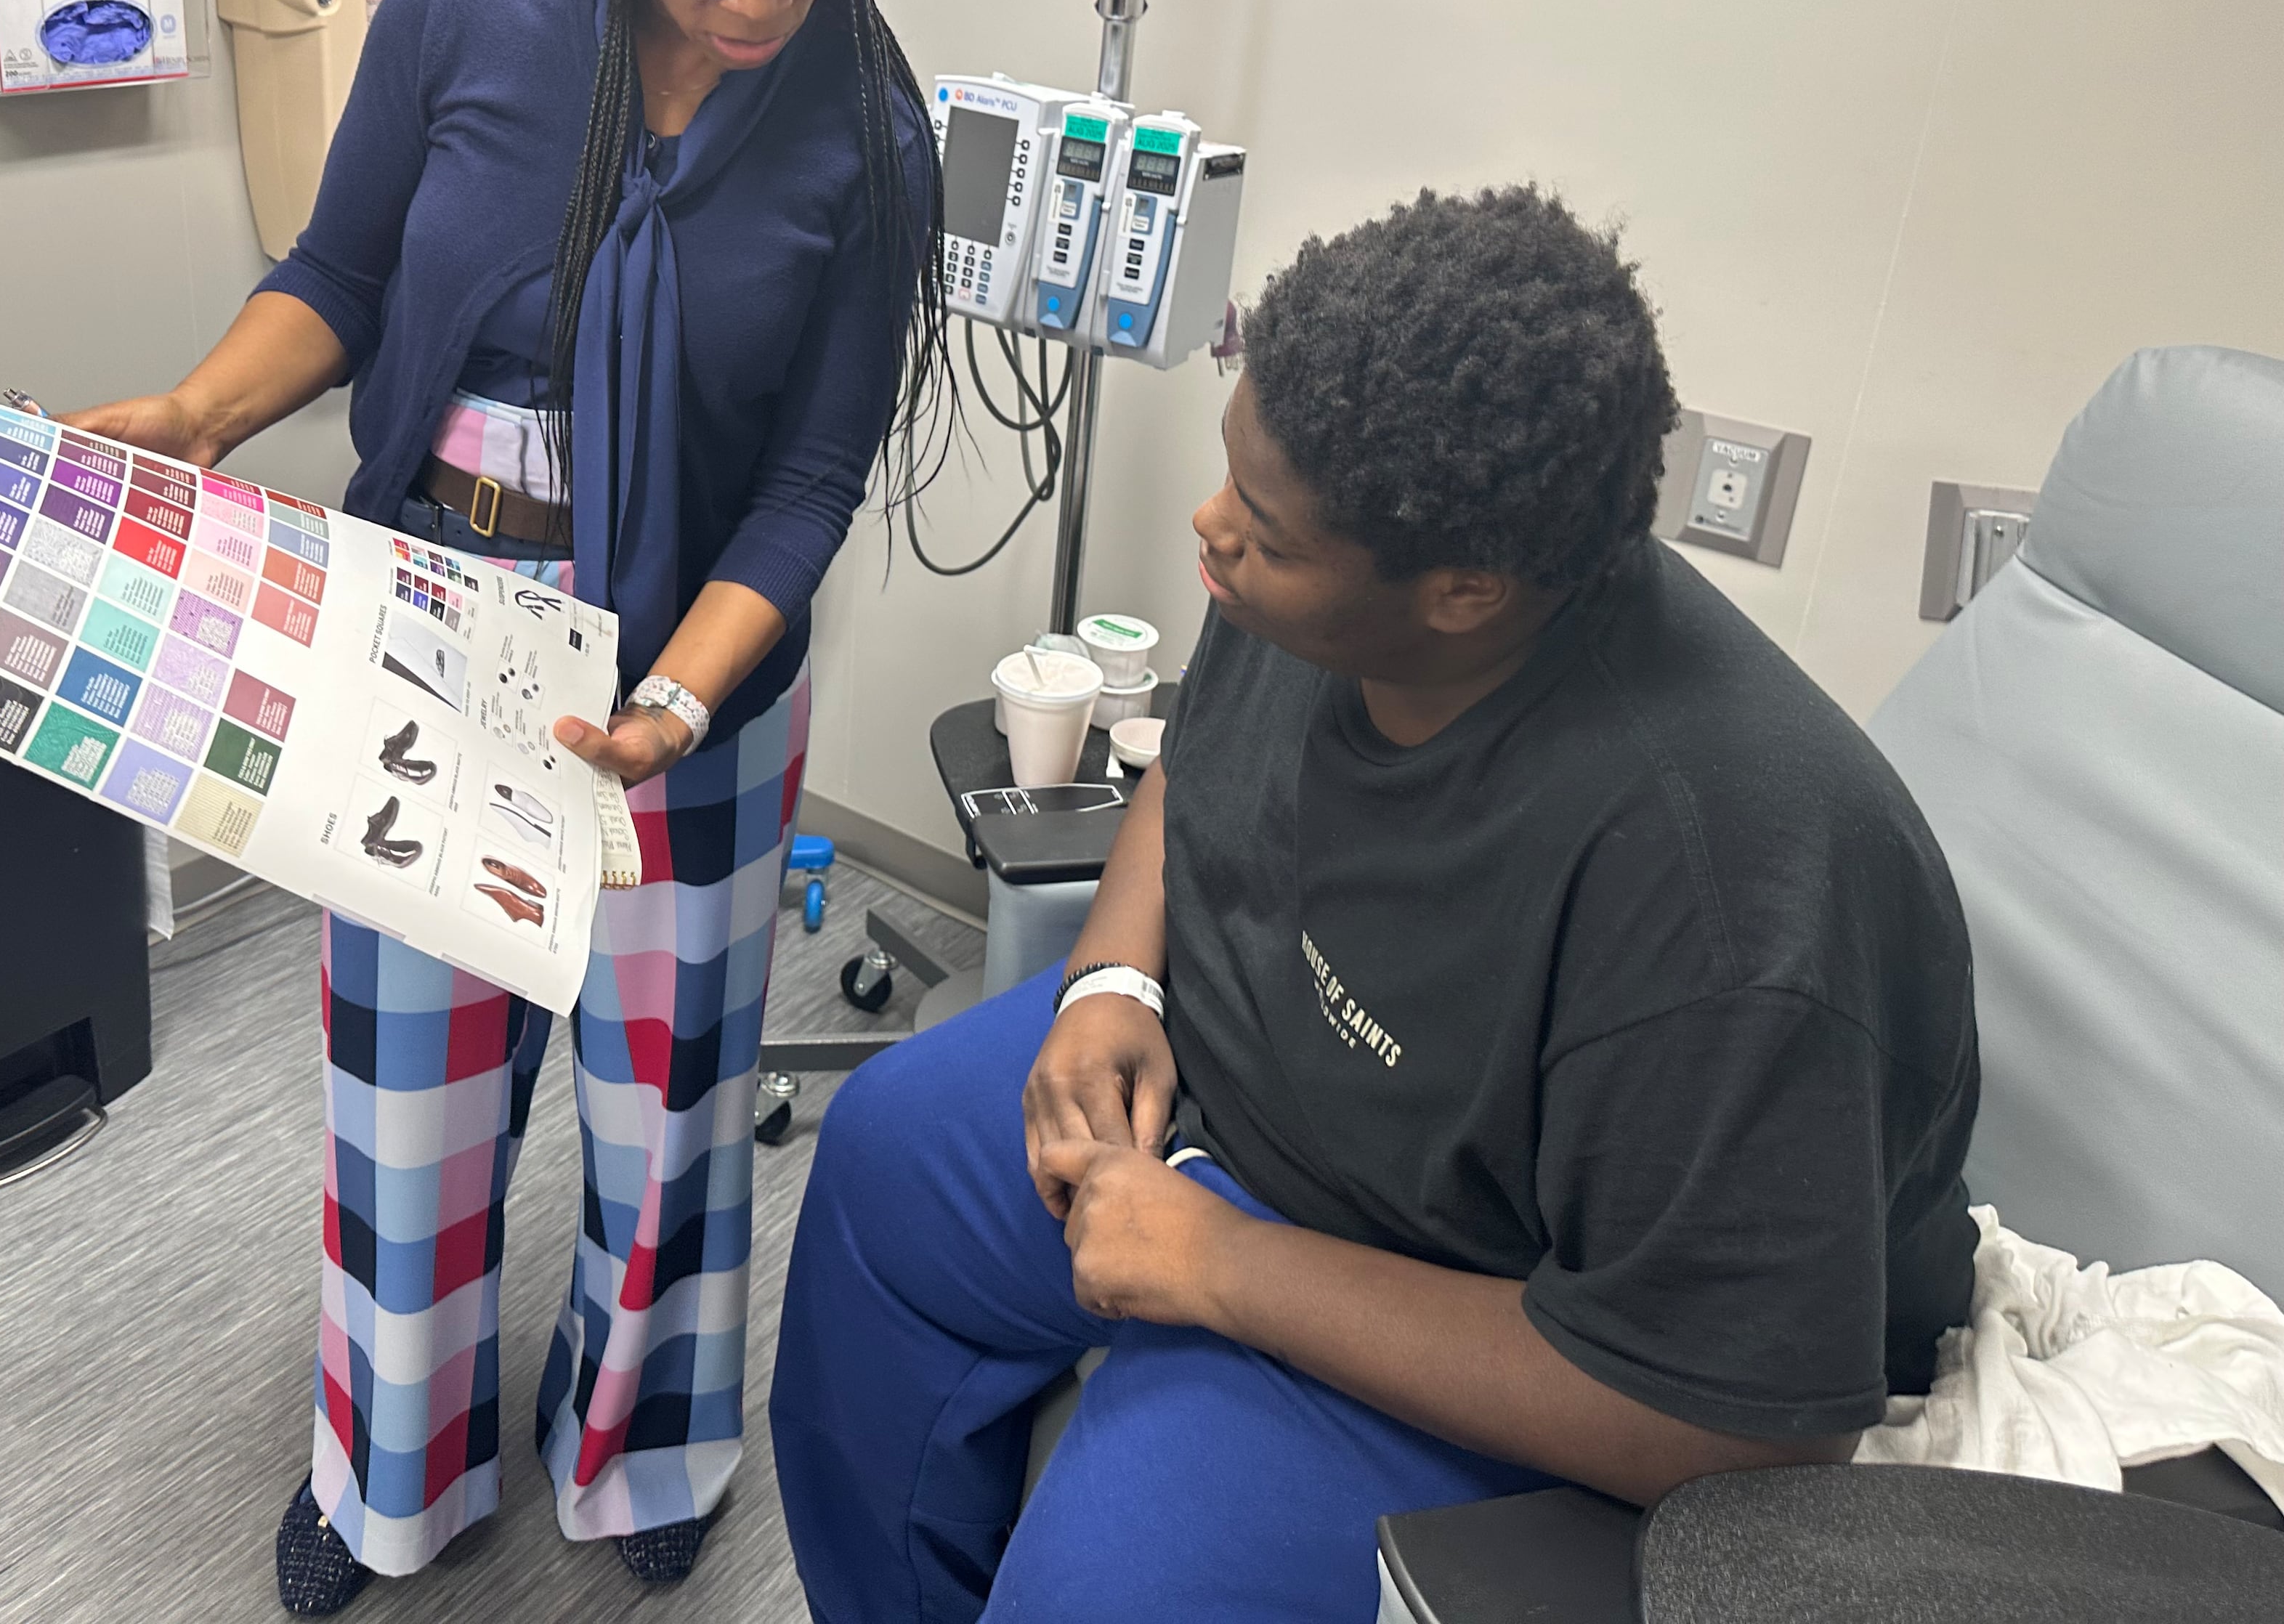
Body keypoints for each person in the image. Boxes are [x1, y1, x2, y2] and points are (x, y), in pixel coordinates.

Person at [73, 0, 944, 1615]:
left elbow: (808, 484)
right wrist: (206, 408)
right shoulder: (464, 9)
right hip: (432, 644)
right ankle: (388, 1476)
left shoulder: (871, 135)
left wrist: (684, 699)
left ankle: (646, 1445)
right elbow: (345, 273)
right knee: (413, 1096)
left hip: (692, 680)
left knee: (674, 1103)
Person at [770, 187, 1981, 1621]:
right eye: (1234, 479)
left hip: (1469, 1292)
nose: (1209, 533)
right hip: (1238, 1100)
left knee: (1106, 1592)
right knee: (881, 1174)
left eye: (1264, 531)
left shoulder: (1735, 900)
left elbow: (1739, 1424)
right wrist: (1112, 982)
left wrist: (1226, 1267)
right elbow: (1200, 764)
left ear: (1463, 589)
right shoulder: (1322, 580)